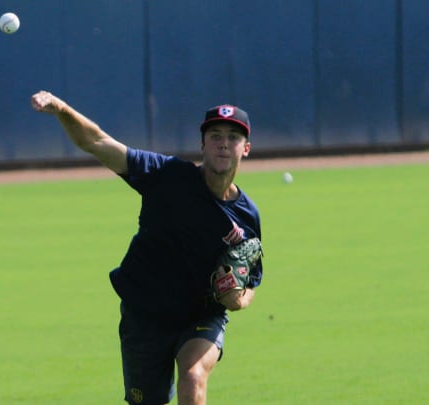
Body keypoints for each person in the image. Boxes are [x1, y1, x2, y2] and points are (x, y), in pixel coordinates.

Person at [31, 91, 263, 405]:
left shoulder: (246, 216)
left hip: (201, 314)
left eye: (233, 137)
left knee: (194, 374)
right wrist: (61, 109)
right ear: (202, 144)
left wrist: (239, 299)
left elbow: (251, 282)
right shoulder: (166, 176)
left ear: (245, 148)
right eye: (216, 135)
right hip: (145, 313)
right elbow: (97, 143)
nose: (224, 143)